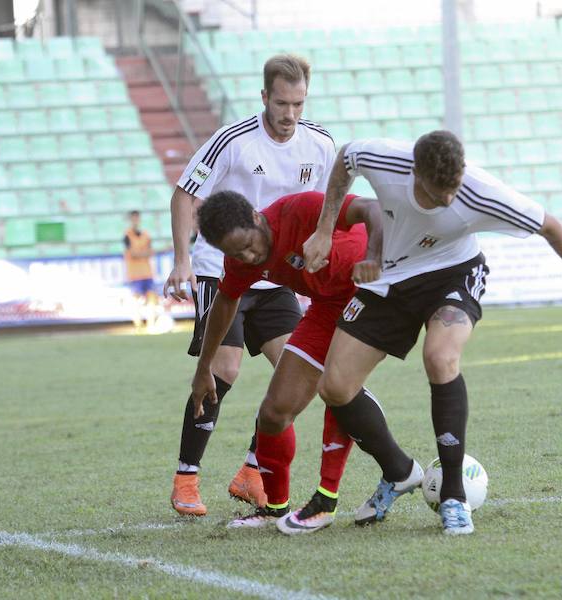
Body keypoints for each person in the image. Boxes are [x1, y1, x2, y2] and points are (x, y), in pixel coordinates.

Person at [302, 131, 562, 535]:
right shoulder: (385, 159)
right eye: (442, 190)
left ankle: (454, 496)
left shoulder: (482, 192)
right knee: (334, 387)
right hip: (393, 278)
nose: (451, 198)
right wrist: (323, 229)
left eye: (455, 186)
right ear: (415, 172)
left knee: (440, 357)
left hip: (453, 274)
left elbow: (552, 227)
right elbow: (346, 158)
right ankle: (399, 471)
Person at [164, 54, 340, 517]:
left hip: (278, 276)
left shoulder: (320, 144)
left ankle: (250, 471)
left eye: (298, 104)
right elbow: (185, 193)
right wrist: (183, 258)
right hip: (221, 270)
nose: (290, 114)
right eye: (282, 103)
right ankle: (186, 477)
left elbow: (328, 207)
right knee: (226, 369)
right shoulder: (234, 142)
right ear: (264, 97)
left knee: (298, 374)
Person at [189, 189, 382, 532]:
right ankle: (274, 509)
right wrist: (204, 368)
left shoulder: (300, 209)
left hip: (369, 296)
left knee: (336, 389)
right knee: (274, 412)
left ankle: (329, 499)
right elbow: (225, 302)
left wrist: (375, 258)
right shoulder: (239, 258)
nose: (248, 257)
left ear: (255, 217)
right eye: (236, 254)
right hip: (326, 307)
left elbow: (373, 208)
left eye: (248, 245)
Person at [123, 210, 157, 332]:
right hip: (135, 273)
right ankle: (138, 325)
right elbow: (133, 254)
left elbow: (150, 252)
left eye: (137, 218)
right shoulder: (127, 235)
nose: (135, 220)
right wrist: (144, 253)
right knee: (136, 299)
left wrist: (140, 253)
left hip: (147, 272)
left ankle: (150, 324)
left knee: (152, 298)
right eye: (133, 218)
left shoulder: (146, 235)